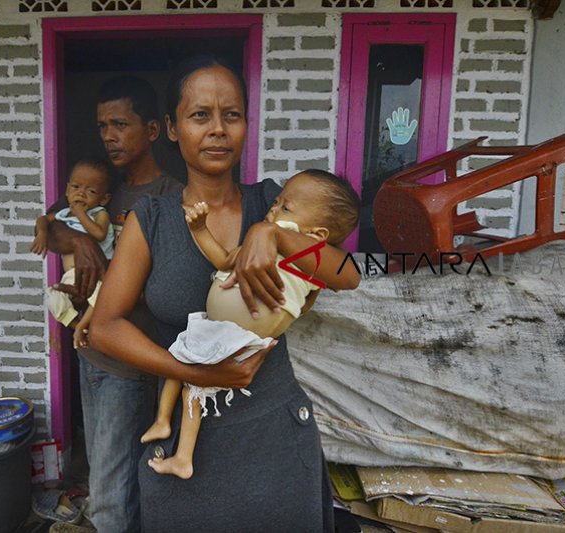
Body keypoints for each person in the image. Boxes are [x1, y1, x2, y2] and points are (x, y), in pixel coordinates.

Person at [90, 56, 360, 532]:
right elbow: (104, 328)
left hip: (274, 438)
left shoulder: (276, 203)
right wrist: (194, 371)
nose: (218, 129)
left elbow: (347, 273)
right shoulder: (149, 220)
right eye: (200, 116)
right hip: (184, 443)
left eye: (231, 115)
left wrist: (271, 234)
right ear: (172, 128)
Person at [141, 169, 361, 480]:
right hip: (220, 327)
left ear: (318, 235)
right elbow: (223, 261)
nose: (273, 209)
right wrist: (201, 229)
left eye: (285, 208)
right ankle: (164, 422)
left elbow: (341, 279)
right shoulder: (262, 245)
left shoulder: (303, 249)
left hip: (240, 334)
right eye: (277, 201)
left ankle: (181, 454)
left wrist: (275, 234)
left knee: (191, 381)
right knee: (179, 362)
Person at [42, 76, 183, 533]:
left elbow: (168, 285)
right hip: (91, 353)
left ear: (155, 130)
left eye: (121, 124)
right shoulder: (101, 189)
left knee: (110, 490)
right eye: (103, 125)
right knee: (110, 475)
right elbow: (48, 225)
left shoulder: (170, 197)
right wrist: (80, 242)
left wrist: (102, 272)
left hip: (132, 363)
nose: (108, 135)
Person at [31, 157, 113, 349]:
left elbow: (99, 234)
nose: (81, 194)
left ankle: (84, 326)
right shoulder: (63, 212)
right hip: (71, 276)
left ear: (104, 199)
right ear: (67, 190)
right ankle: (77, 326)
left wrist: (81, 213)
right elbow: (43, 219)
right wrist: (42, 234)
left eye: (91, 191)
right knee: (53, 295)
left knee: (102, 294)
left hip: (97, 275)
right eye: (76, 187)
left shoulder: (100, 213)